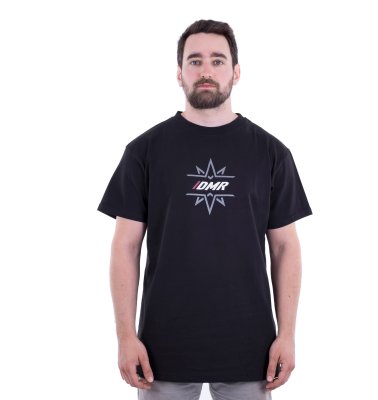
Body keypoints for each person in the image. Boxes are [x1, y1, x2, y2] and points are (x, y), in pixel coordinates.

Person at [97, 19, 313, 400]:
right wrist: (125, 336)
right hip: (161, 353)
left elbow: (285, 248)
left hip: (252, 352)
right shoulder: (143, 152)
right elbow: (125, 247)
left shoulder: (272, 154)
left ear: (236, 72)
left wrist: (288, 335)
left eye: (218, 60)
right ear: (179, 73)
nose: (206, 71)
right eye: (194, 61)